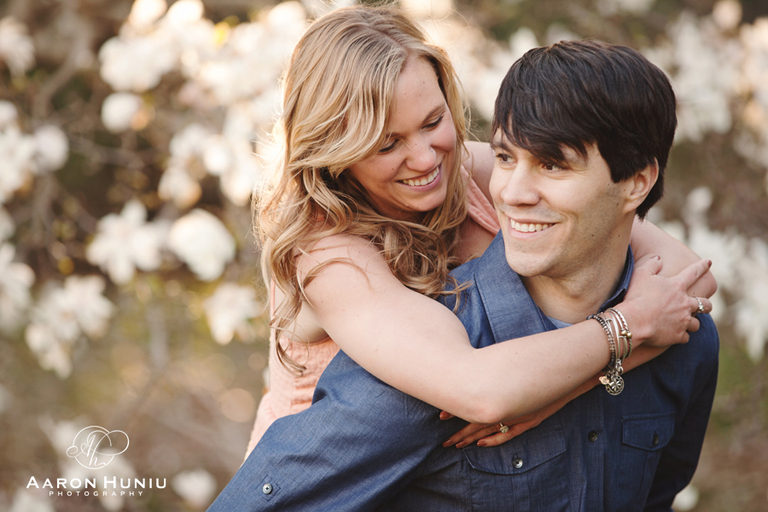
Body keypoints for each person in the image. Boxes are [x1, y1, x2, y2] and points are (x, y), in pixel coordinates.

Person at [208, 39, 719, 511]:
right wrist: (625, 330)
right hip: (333, 467)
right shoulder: (327, 254)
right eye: (387, 144)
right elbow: (481, 393)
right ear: (337, 152)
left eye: (433, 121)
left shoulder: (472, 171)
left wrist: (559, 395)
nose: (426, 157)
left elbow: (687, 281)